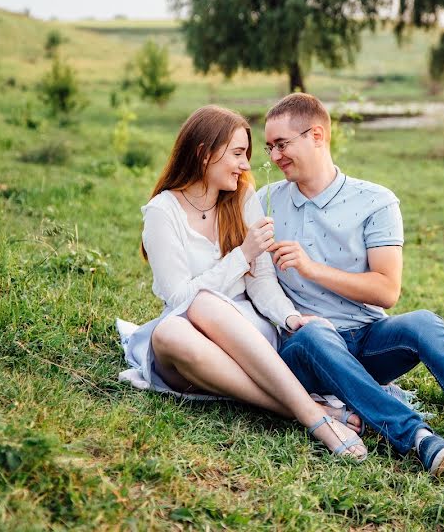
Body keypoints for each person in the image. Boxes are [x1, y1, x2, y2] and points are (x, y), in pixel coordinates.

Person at [256, 93, 444, 481]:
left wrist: (312, 269)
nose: (274, 156)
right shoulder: (265, 202)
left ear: (316, 135)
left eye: (282, 144)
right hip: (305, 347)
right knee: (315, 334)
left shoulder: (375, 201)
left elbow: (386, 291)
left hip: (366, 336)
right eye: (269, 147)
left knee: (425, 322)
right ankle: (414, 435)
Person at [121, 105, 366, 460]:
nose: (246, 165)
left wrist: (289, 318)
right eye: (238, 153)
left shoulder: (242, 199)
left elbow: (262, 281)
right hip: (193, 343)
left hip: (248, 337)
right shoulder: (163, 213)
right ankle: (309, 410)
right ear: (205, 154)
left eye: (247, 155)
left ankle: (314, 418)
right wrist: (242, 254)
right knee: (171, 330)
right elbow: (180, 300)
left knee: (204, 304)